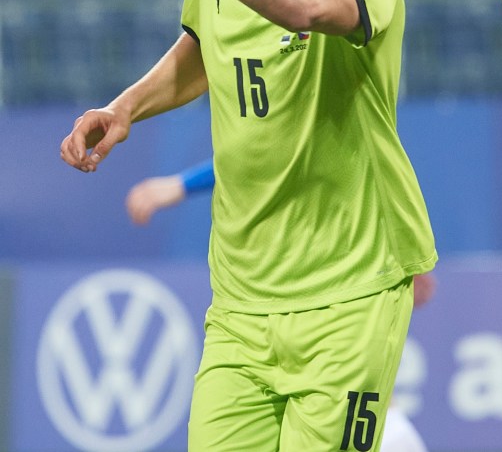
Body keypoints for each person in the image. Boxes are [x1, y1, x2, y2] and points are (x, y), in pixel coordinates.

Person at [60, 0, 437, 451]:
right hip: (240, 300)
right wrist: (127, 107)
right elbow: (202, 49)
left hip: (349, 295)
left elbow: (304, 4)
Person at [125, 158, 434, 451]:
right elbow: (259, 153)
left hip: (375, 416)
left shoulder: (349, 135)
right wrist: (183, 184)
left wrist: (182, 185)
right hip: (261, 317)